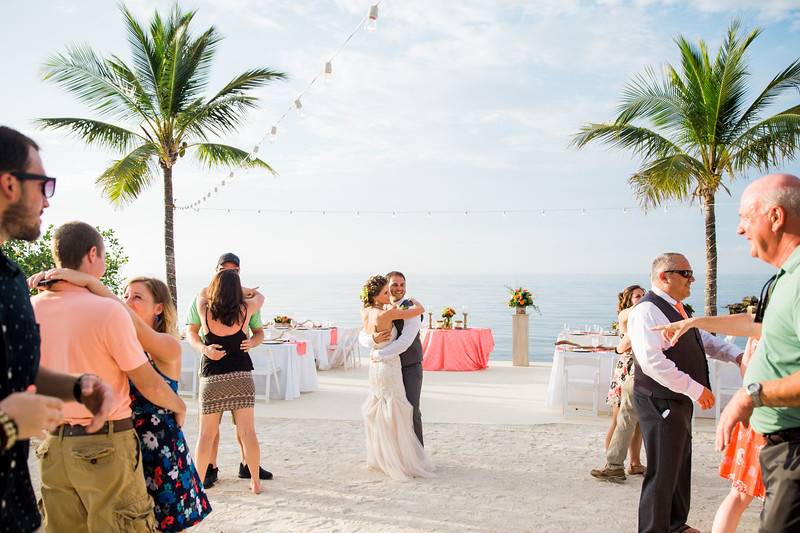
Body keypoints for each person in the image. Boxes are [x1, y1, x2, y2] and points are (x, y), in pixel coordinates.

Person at [32, 221, 187, 532]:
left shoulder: (30, 306)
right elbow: (148, 382)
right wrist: (179, 406)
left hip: (54, 446)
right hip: (105, 444)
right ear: (92, 254)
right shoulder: (106, 311)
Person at [0, 127, 114, 533]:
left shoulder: (12, 278)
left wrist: (74, 387)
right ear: (9, 184)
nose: (48, 200)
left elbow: (14, 371)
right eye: (44, 184)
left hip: (14, 509)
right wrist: (7, 425)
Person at [628, 252, 743, 533]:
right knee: (662, 471)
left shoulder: (678, 308)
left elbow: (700, 338)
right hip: (660, 400)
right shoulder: (646, 311)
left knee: (679, 464)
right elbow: (653, 362)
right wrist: (695, 389)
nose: (692, 279)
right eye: (686, 273)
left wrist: (736, 355)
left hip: (676, 399)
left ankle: (675, 524)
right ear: (664, 277)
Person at [716, 173, 800, 532]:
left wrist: (751, 396)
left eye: (746, 217)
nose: (740, 229)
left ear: (776, 217)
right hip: (781, 450)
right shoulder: (786, 277)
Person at [653, 311, 764, 533]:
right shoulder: (782, 334)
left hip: (752, 420)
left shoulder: (756, 337)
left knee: (739, 495)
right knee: (772, 498)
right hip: (774, 422)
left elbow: (746, 372)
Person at [185, 252, 270, 487]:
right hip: (240, 373)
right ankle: (254, 483)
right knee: (248, 432)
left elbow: (203, 295)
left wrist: (253, 341)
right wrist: (239, 289)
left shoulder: (203, 305)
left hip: (213, 376)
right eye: (226, 270)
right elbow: (260, 296)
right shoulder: (247, 307)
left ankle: (198, 483)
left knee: (205, 434)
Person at [360, 275, 435, 480]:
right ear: (386, 288)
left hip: (408, 366)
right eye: (394, 285)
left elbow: (405, 342)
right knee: (390, 411)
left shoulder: (404, 309)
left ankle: (415, 457)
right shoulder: (385, 310)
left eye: (403, 285)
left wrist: (378, 354)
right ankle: (396, 457)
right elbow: (362, 335)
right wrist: (372, 340)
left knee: (410, 411)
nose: (399, 288)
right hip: (388, 368)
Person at [591, 284, 646, 481]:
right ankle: (611, 462)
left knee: (637, 422)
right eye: (637, 296)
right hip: (625, 370)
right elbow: (632, 315)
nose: (641, 298)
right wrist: (650, 303)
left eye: (643, 295)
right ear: (628, 300)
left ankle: (635, 463)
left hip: (640, 369)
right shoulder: (625, 314)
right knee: (617, 419)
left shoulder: (642, 315)